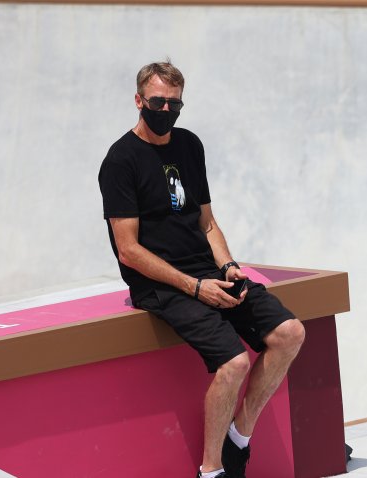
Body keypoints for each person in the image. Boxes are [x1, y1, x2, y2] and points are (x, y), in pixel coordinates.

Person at [98, 60, 305, 478]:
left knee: (290, 333)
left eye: (175, 103)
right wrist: (195, 288)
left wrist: (227, 266)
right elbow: (128, 251)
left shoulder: (190, 145)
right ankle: (211, 472)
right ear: (139, 101)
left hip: (205, 273)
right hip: (162, 284)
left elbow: (206, 222)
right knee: (234, 363)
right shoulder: (120, 161)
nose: (166, 110)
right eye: (158, 101)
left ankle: (239, 439)